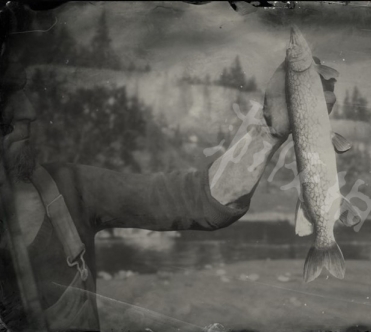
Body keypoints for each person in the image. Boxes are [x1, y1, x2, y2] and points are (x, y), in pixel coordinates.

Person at [0, 4, 340, 332]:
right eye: (8, 95)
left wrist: (269, 131)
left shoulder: (69, 188)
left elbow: (194, 198)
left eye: (24, 91)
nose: (29, 111)